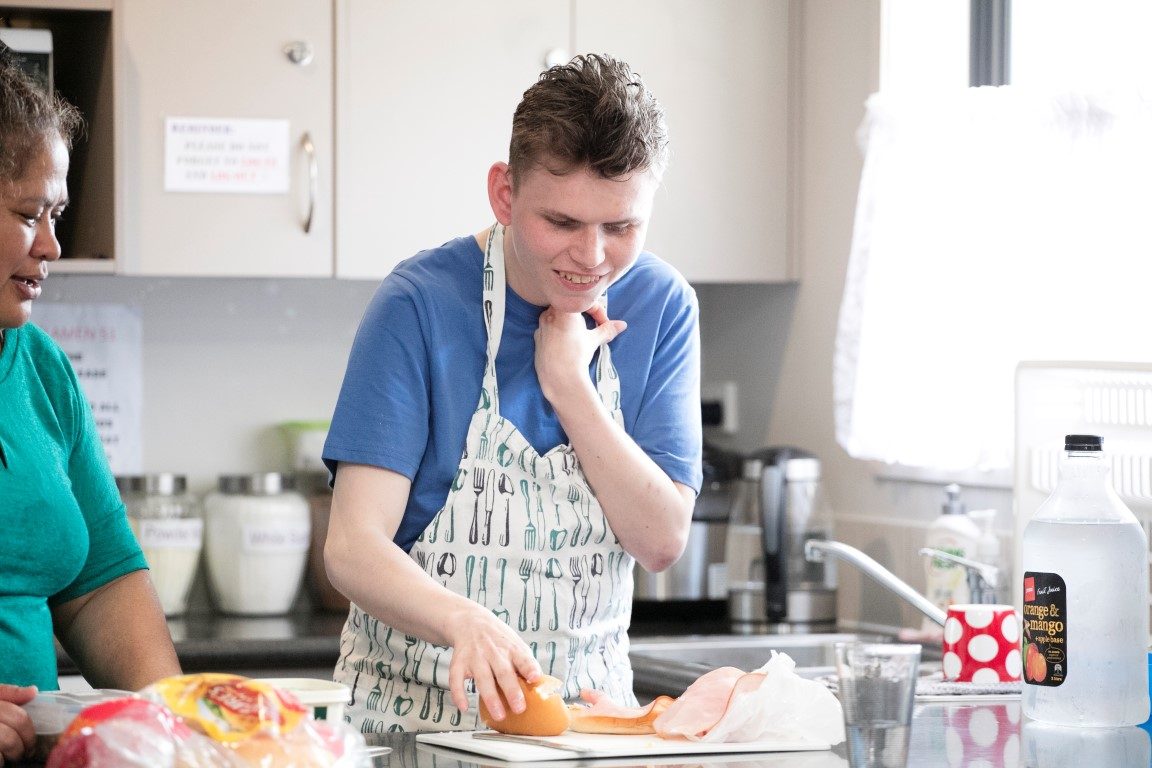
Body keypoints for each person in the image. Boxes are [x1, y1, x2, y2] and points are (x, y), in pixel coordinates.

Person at [323, 53, 702, 732]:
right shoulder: (420, 304)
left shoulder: (663, 305)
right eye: (561, 223)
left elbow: (661, 541)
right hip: (416, 731)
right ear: (504, 193)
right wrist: (465, 621)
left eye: (621, 228)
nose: (590, 257)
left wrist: (569, 387)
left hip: (583, 734)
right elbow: (352, 545)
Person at [0, 44, 181, 763]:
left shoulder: (40, 368)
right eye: (26, 214)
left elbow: (100, 579)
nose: (51, 245)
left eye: (57, 214)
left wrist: (175, 719)